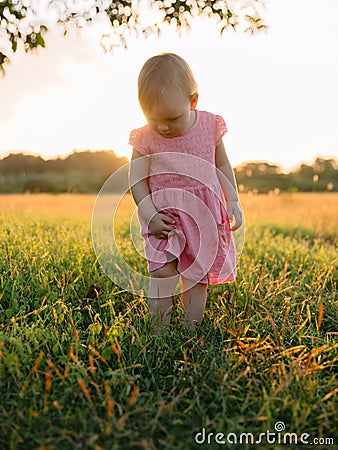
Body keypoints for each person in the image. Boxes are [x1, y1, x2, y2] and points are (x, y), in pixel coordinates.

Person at [129, 53, 243, 331]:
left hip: (203, 217)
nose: (162, 127)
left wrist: (234, 201)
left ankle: (190, 332)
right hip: (163, 218)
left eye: (171, 118)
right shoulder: (145, 136)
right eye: (153, 119)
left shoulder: (209, 126)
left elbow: (222, 165)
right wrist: (149, 214)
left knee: (196, 277)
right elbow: (137, 179)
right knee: (161, 274)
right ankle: (160, 332)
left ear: (193, 101)